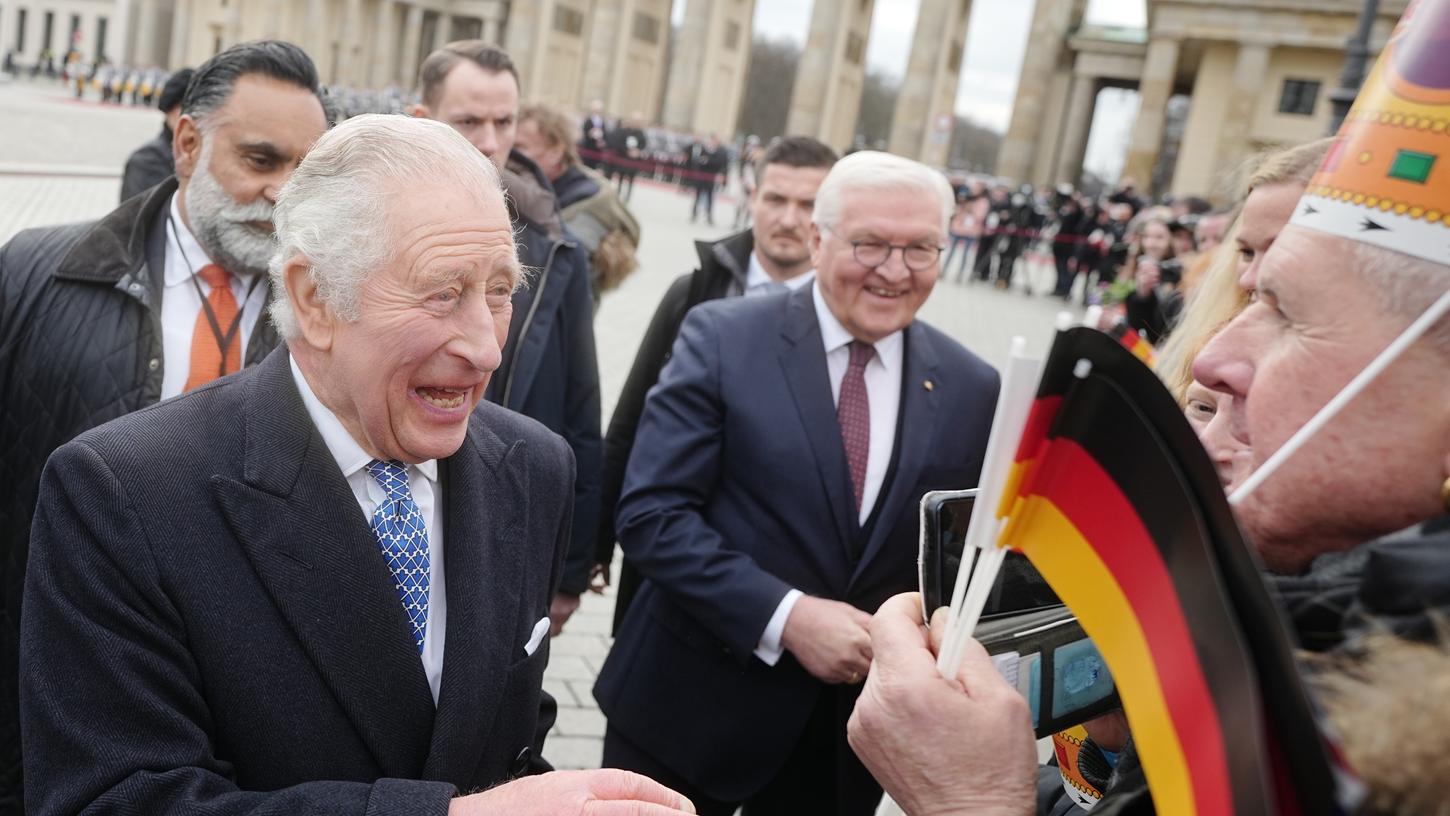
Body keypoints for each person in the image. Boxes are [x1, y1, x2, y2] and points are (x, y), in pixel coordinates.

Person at [20, 113, 696, 816]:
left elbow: (505, 743)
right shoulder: (124, 494)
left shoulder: (533, 467)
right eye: (443, 292)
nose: (488, 348)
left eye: (500, 290)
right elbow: (113, 800)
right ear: (315, 298)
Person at [595, 151, 1001, 815]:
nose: (895, 271)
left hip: (839, 748)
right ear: (818, 238)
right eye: (870, 244)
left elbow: (953, 566)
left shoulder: (972, 386)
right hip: (687, 713)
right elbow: (651, 515)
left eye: (921, 249)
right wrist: (787, 617)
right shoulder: (723, 338)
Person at [0, 41, 330, 811]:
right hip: (45, 683)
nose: (283, 194)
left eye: (303, 173)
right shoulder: (34, 272)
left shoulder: (334, 323)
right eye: (260, 159)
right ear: (187, 144)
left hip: (241, 714)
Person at [594, 135, 839, 631]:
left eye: (808, 204)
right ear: (752, 197)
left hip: (782, 590)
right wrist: (594, 541)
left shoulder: (845, 319)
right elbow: (629, 420)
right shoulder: (694, 292)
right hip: (668, 559)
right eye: (775, 199)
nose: (789, 218)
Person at [411, 41, 602, 637]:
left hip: (510, 521)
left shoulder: (556, 246)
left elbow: (581, 402)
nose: (491, 142)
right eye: (468, 121)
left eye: (504, 122)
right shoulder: (367, 231)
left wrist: (571, 569)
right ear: (424, 121)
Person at [515, 102, 641, 305]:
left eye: (520, 147)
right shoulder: (538, 191)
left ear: (556, 151)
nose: (508, 153)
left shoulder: (586, 210)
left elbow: (559, 292)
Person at [120, 67, 194, 201]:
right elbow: (136, 218)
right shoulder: (146, 161)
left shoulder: (204, 157)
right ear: (171, 111)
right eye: (185, 108)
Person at [607, 112, 648, 203]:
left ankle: (628, 197)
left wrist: (638, 151)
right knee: (620, 177)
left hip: (634, 161)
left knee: (631, 179)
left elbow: (643, 144)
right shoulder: (625, 131)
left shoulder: (641, 133)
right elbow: (620, 143)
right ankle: (618, 195)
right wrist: (627, 151)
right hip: (624, 158)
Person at [688, 133, 728, 224]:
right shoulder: (704, 149)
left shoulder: (720, 151)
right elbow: (699, 161)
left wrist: (708, 161)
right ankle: (694, 213)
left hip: (711, 177)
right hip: (702, 176)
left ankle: (709, 216)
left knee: (710, 197)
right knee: (698, 196)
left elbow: (719, 163)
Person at [579, 98, 608, 170]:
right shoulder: (588, 121)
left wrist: (602, 141)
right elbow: (585, 133)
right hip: (588, 148)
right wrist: (590, 134)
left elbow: (605, 134)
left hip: (597, 150)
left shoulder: (602, 121)